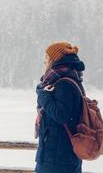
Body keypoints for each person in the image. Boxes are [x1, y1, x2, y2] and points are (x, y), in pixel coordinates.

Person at [34, 42, 85, 173]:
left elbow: (60, 115)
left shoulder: (64, 84)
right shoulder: (67, 80)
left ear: (54, 60)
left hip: (58, 159)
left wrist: (43, 95)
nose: (44, 61)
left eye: (46, 57)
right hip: (60, 156)